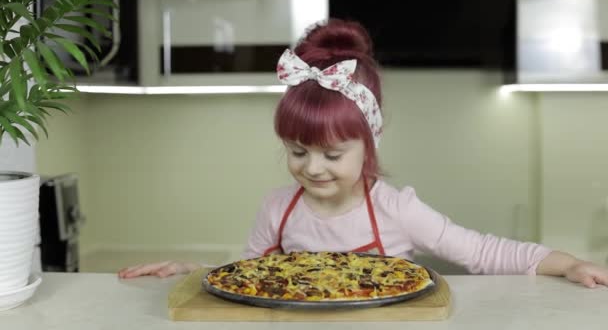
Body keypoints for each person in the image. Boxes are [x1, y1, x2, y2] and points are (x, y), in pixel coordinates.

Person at [119, 19, 608, 288]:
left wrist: (566, 265)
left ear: (367, 145)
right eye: (297, 150)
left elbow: (482, 252)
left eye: (332, 154)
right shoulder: (278, 208)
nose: (312, 168)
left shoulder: (396, 209)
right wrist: (191, 273)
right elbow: (249, 278)